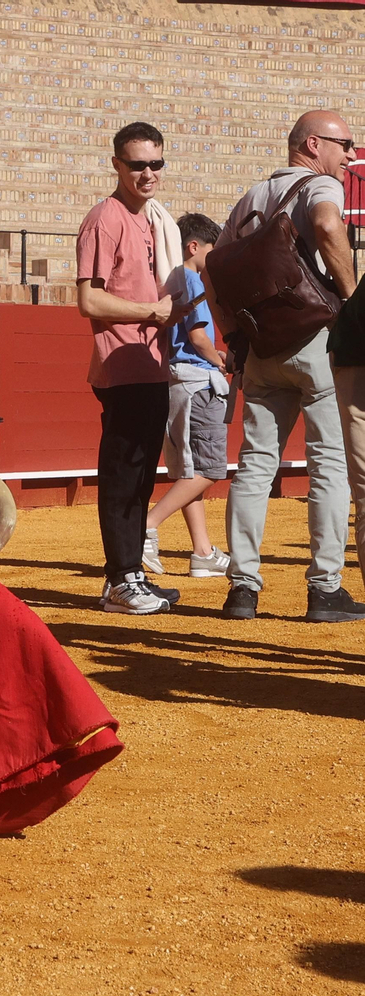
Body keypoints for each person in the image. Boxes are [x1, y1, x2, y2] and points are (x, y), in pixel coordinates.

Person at [213, 110, 363, 622]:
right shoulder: (320, 187)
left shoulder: (251, 198)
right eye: (345, 145)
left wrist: (235, 332)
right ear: (314, 144)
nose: (350, 156)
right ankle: (324, 589)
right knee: (330, 464)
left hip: (264, 348)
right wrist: (355, 301)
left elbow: (213, 269)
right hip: (318, 341)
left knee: (255, 464)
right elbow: (325, 225)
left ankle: (241, 588)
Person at [75, 121, 187, 615]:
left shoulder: (151, 219)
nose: (147, 173)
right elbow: (88, 299)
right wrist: (151, 312)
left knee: (141, 474)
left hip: (151, 360)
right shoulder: (107, 217)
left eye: (155, 163)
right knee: (124, 473)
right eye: (137, 164)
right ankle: (121, 578)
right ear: (116, 165)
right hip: (124, 362)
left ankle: (130, 573)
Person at [142, 213, 231, 578]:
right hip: (199, 380)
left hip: (178, 381)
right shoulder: (191, 278)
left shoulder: (170, 279)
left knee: (191, 469)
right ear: (194, 247)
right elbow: (197, 338)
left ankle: (203, 552)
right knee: (210, 469)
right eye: (212, 250)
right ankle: (146, 525)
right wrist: (221, 360)